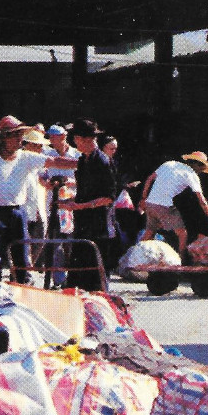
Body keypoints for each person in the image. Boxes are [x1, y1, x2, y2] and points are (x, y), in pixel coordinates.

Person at [0, 116, 78, 283]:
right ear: (4, 138)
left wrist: (82, 162)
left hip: (18, 213)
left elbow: (55, 161)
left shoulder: (26, 157)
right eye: (16, 135)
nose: (20, 139)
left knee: (22, 258)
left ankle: (21, 288)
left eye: (20, 135)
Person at [59, 120, 117, 290]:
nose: (74, 142)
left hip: (99, 227)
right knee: (77, 276)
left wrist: (81, 206)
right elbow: (86, 192)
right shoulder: (83, 160)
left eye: (75, 138)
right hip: (83, 225)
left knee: (96, 278)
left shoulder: (102, 161)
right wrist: (69, 202)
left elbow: (108, 197)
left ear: (83, 139)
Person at [139, 151, 208, 254]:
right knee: (182, 234)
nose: (201, 171)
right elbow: (202, 201)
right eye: (201, 168)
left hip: (150, 203)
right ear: (197, 165)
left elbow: (150, 179)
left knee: (150, 233)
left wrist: (143, 198)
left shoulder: (169, 163)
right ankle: (181, 260)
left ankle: (136, 255)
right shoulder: (191, 174)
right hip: (164, 206)